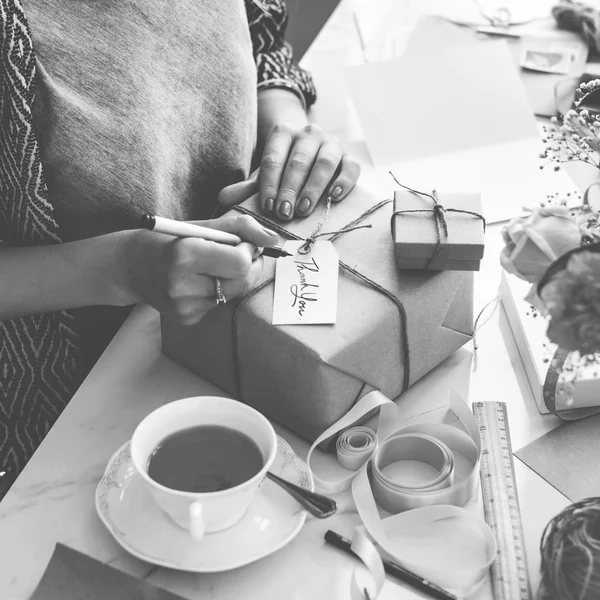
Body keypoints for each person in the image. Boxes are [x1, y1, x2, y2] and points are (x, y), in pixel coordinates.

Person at [0, 0, 361, 498]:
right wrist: (122, 267)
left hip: (245, 341)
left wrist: (288, 125)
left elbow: (266, 41)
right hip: (79, 414)